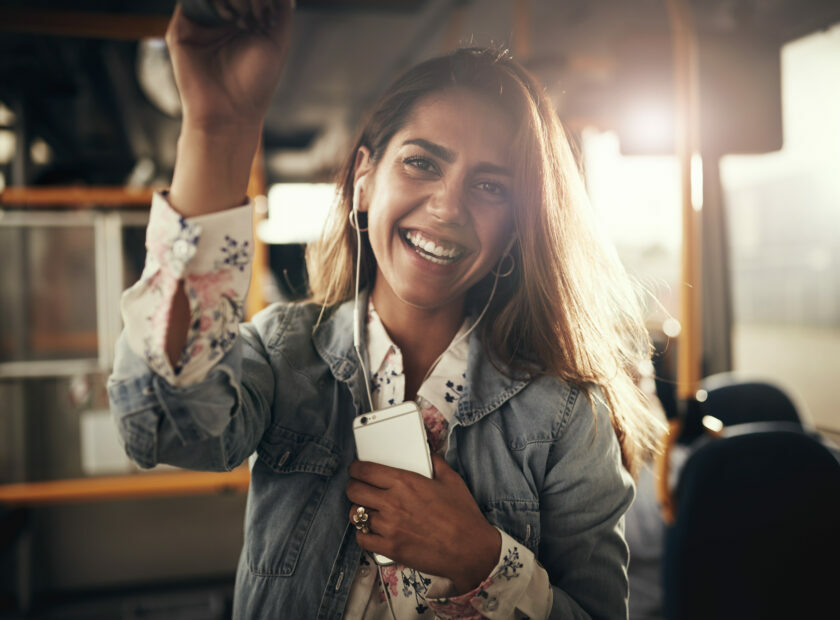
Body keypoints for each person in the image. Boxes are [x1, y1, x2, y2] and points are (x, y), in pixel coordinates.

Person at [108, 1, 663, 617]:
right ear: (364, 181)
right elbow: (163, 426)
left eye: (489, 186)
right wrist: (217, 130)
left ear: (515, 230)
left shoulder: (565, 417)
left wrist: (483, 561)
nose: (448, 209)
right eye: (421, 162)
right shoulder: (284, 352)